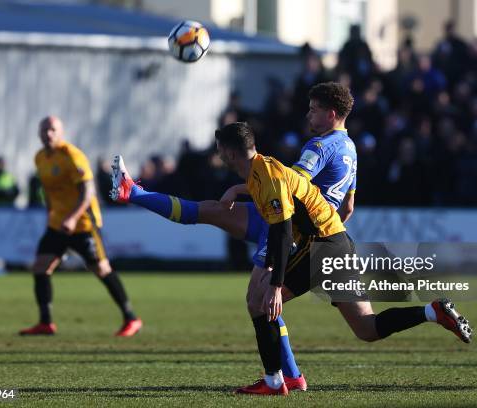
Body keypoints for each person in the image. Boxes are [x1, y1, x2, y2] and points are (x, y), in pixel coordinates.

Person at [111, 82, 359, 391]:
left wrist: (247, 193)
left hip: (287, 223)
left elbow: (288, 181)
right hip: (311, 229)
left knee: (260, 298)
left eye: (313, 109)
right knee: (210, 212)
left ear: (331, 113)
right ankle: (133, 191)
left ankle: (282, 378)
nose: (307, 115)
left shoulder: (321, 146)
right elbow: (347, 206)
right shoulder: (350, 149)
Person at [213, 122, 472, 396]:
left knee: (259, 301)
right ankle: (432, 312)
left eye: (219, 149)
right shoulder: (263, 169)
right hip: (339, 242)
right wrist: (236, 190)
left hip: (322, 245)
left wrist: (276, 285)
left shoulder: (267, 175)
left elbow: (282, 229)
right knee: (366, 328)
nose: (217, 154)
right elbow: (277, 189)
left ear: (229, 153)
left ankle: (275, 381)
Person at [19, 116, 142, 336]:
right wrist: (52, 214)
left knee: (101, 269)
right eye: (45, 129)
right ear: (39, 133)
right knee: (40, 267)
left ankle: (131, 318)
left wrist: (73, 218)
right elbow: (48, 190)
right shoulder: (40, 158)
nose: (49, 134)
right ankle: (46, 323)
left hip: (83, 223)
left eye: (53, 130)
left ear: (60, 132)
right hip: (58, 224)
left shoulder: (72, 156)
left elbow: (88, 192)